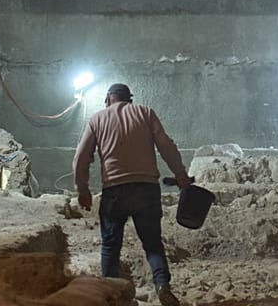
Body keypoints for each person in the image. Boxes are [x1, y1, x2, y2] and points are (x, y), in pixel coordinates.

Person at [73, 83, 192, 306]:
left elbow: (81, 156)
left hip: (114, 190)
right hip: (147, 188)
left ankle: (110, 294)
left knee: (110, 246)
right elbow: (166, 145)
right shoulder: (145, 113)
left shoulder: (97, 119)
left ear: (108, 99)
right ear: (130, 100)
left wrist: (83, 189)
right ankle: (162, 285)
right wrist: (180, 174)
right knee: (153, 243)